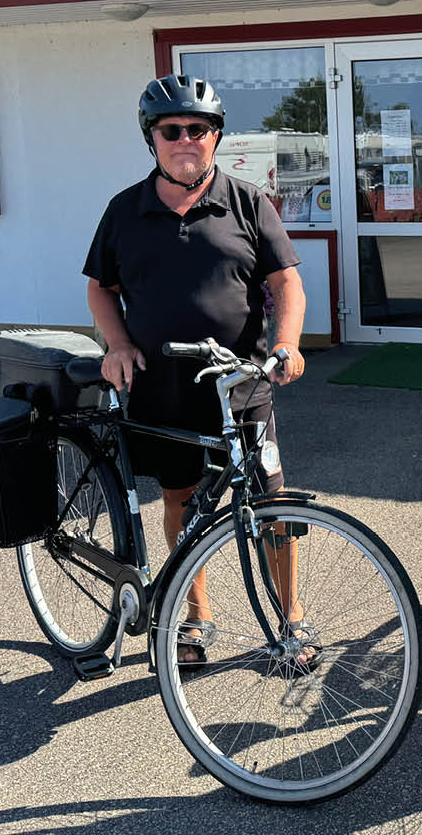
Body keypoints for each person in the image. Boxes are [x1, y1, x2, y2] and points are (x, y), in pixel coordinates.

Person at [84, 74, 309, 667]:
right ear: (152, 139)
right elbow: (101, 289)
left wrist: (287, 343)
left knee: (270, 505)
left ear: (216, 137)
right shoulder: (124, 211)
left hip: (241, 385)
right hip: (162, 388)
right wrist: (117, 343)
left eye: (199, 129)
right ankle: (195, 615)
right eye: (172, 130)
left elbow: (285, 283)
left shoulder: (247, 202)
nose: (186, 139)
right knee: (180, 500)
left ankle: (291, 619)